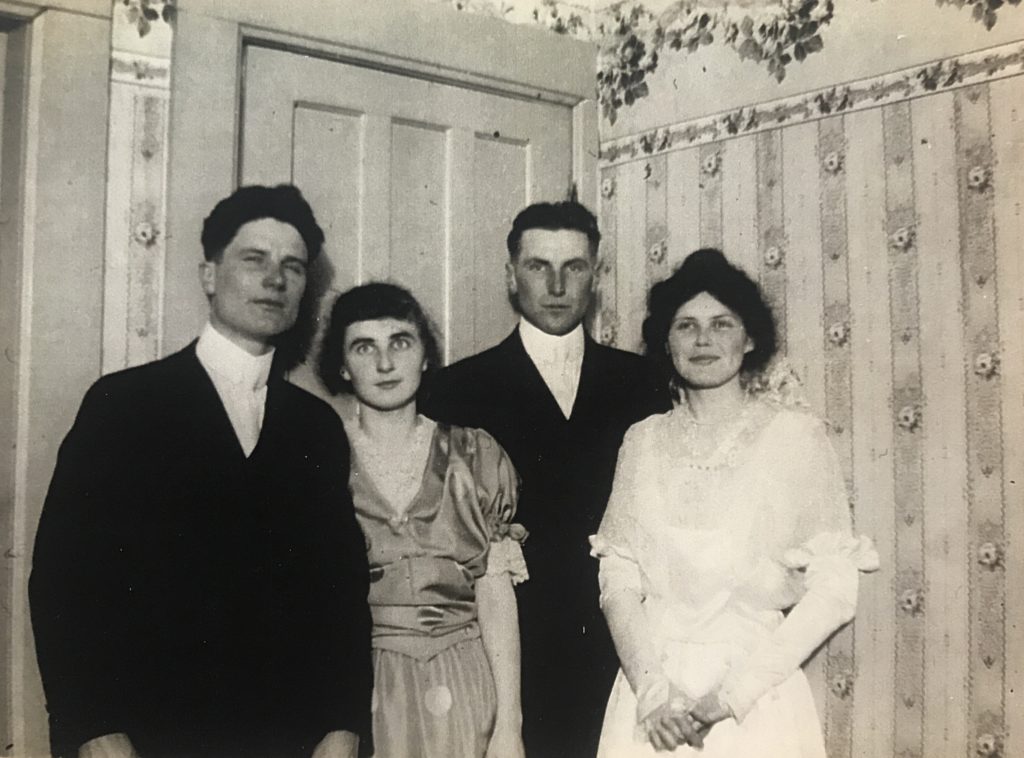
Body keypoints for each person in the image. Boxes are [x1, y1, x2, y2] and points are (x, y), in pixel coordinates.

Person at [29, 185, 373, 758]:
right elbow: (65, 579)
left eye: (293, 266)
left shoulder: (315, 427)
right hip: (149, 734)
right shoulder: (124, 404)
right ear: (209, 275)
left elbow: (339, 594)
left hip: (289, 739)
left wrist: (343, 726)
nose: (275, 279)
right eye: (254, 259)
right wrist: (93, 728)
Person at [591, 249, 879, 757]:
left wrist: (732, 695)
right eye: (686, 326)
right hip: (653, 706)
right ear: (666, 342)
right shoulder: (642, 441)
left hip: (756, 703)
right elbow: (618, 575)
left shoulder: (797, 438)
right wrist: (654, 694)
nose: (703, 340)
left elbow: (835, 588)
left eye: (721, 324)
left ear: (749, 340)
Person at [420, 201, 670, 757]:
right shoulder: (456, 390)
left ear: (597, 274)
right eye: (538, 266)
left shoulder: (644, 383)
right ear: (511, 275)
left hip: (620, 652)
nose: (557, 284)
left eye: (574, 267)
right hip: (503, 658)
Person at [318, 282, 528, 758]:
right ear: (342, 367)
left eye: (400, 342)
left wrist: (509, 726)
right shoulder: (322, 461)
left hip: (464, 683)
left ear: (426, 355)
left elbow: (495, 595)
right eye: (364, 347)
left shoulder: (475, 455)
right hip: (363, 690)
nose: (385, 363)